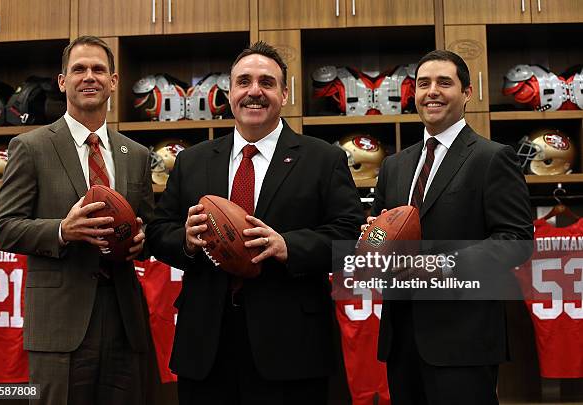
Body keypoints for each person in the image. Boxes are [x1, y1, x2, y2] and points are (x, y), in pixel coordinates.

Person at [146, 41, 364, 405]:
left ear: (284, 93)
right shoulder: (193, 161)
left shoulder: (322, 159)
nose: (254, 91)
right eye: (244, 81)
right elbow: (157, 231)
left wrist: (288, 247)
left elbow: (350, 236)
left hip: (292, 346)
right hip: (206, 345)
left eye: (267, 82)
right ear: (229, 92)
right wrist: (185, 240)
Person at [0, 36, 155, 405]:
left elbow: (148, 226)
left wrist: (144, 241)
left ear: (114, 81)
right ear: (62, 82)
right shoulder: (31, 147)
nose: (89, 77)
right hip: (59, 325)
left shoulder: (137, 154)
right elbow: (2, 228)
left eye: (98, 69)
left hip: (125, 320)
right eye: (78, 69)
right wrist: (63, 230)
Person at [367, 50, 533, 405]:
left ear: (468, 92)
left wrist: (440, 264)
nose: (432, 92)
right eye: (423, 84)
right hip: (402, 338)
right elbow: (380, 239)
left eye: (445, 82)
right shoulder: (395, 165)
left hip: (464, 340)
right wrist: (375, 237)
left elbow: (516, 240)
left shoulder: (492, 158)